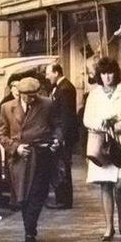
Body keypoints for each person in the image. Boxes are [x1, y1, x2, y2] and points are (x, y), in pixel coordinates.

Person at [0, 76, 63, 242]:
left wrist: (57, 140)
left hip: (41, 154)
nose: (32, 99)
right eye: (28, 96)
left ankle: (29, 231)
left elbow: (57, 125)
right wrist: (16, 148)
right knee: (23, 196)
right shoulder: (7, 108)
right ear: (19, 94)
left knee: (38, 193)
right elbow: (2, 135)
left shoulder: (47, 104)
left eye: (35, 95)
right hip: (20, 158)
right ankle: (29, 227)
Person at [83, 56, 121, 241]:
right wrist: (101, 125)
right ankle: (109, 227)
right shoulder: (94, 94)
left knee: (120, 182)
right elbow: (86, 119)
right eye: (103, 74)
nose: (107, 77)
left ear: (115, 74)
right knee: (105, 183)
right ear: (99, 76)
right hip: (102, 143)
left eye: (110, 73)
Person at [45, 63, 79, 209]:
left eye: (48, 73)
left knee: (63, 166)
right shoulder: (61, 87)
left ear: (56, 72)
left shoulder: (65, 89)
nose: (47, 77)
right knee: (61, 166)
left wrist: (61, 137)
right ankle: (62, 198)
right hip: (62, 133)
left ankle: (64, 200)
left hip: (63, 135)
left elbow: (66, 116)